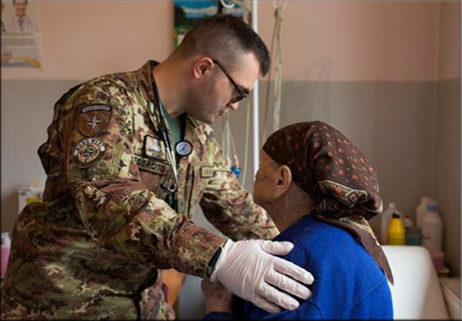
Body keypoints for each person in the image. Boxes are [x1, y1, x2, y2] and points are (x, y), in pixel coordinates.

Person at [1, 14, 315, 320]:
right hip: (63, 299)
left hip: (141, 300)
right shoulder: (107, 102)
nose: (235, 105)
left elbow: (235, 207)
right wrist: (220, 256)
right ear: (204, 67)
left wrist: (307, 256)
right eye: (238, 92)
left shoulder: (197, 133)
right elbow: (109, 200)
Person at [202, 121, 394, 320]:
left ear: (281, 180)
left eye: (262, 165)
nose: (257, 173)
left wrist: (218, 308)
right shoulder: (352, 239)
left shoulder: (292, 259)